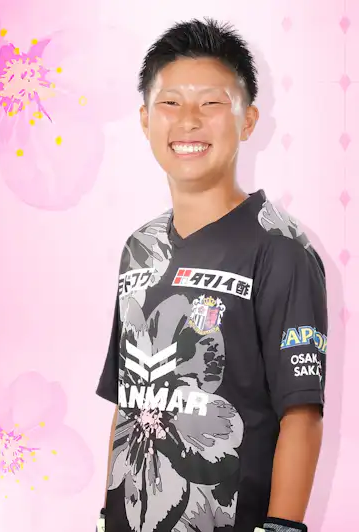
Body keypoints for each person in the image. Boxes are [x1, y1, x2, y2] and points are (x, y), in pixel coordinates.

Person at [95, 17, 327, 532]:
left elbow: (302, 414)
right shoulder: (140, 248)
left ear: (248, 121)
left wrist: (283, 528)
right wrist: (105, 514)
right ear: (145, 119)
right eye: (170, 103)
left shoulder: (279, 247)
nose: (188, 121)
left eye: (211, 103)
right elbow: (128, 400)